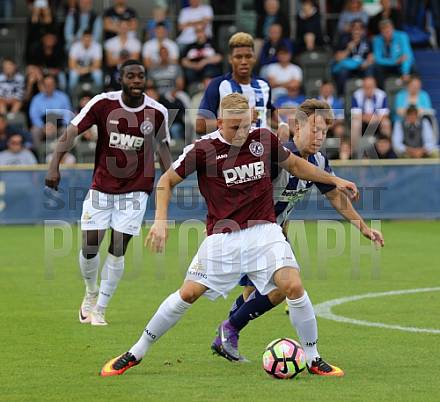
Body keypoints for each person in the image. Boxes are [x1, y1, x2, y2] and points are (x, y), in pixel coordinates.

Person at [99, 93, 360, 377]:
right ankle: (135, 352)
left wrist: (334, 179)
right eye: (235, 127)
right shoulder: (202, 149)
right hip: (223, 237)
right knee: (188, 294)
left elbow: (296, 165)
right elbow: (166, 181)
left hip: (264, 231)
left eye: (246, 125)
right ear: (220, 122)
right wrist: (160, 221)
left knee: (293, 286)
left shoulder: (263, 139)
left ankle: (313, 358)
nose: (242, 133)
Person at [210, 98, 384, 365]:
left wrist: (363, 226)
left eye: (324, 131)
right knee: (281, 288)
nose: (320, 136)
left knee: (254, 292)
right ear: (297, 127)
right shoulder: (278, 156)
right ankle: (230, 329)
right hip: (250, 232)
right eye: (314, 129)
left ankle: (226, 335)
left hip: (273, 234)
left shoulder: (318, 162)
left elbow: (335, 196)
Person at [44, 60, 172, 326]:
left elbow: (164, 152)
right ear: (120, 79)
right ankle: (91, 292)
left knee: (118, 248)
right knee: (90, 245)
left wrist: (171, 181)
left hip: (136, 191)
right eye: (130, 76)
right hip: (102, 187)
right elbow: (72, 131)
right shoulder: (103, 103)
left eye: (140, 76)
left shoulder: (157, 112)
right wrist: (54, 165)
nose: (136, 80)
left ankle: (100, 308)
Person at [196, 32, 289, 142]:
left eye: (248, 56)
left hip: (261, 147)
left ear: (254, 58)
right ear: (230, 59)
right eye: (238, 57)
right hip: (231, 148)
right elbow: (200, 125)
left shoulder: (263, 85)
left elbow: (268, 112)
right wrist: (239, 119)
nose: (244, 62)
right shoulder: (218, 85)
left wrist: (282, 124)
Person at [332, 19, 374, 96]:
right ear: (351, 29)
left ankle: (370, 94)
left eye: (359, 29)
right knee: (343, 72)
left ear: (363, 31)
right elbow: (338, 58)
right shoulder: (344, 39)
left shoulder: (367, 41)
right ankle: (341, 96)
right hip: (348, 67)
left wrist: (367, 63)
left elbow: (371, 57)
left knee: (370, 69)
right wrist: (348, 49)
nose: (357, 31)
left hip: (362, 66)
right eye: (354, 28)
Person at [29, 75, 72, 147]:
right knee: (35, 131)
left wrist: (58, 125)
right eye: (46, 84)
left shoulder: (63, 97)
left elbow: (68, 114)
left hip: (59, 125)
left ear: (55, 85)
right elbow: (34, 116)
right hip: (43, 125)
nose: (49, 86)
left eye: (51, 84)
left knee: (66, 131)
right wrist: (43, 127)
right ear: (43, 85)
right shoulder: (36, 99)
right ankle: (39, 152)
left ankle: (62, 153)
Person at [373, 19, 414, 87]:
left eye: (389, 30)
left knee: (412, 67)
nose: (387, 33)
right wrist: (394, 61)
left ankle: (412, 90)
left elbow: (406, 55)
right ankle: (382, 90)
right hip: (386, 64)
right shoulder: (377, 39)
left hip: (400, 64)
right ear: (381, 32)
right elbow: (377, 59)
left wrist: (405, 72)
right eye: (384, 31)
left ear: (393, 28)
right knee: (376, 67)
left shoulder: (402, 36)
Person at [180, 22, 223, 87]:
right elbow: (183, 61)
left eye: (201, 31)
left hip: (209, 68)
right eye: (197, 31)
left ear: (205, 31)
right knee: (189, 73)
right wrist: (194, 65)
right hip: (193, 69)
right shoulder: (190, 46)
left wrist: (204, 62)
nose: (199, 34)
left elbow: (219, 57)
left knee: (210, 70)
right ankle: (196, 89)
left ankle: (208, 89)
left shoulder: (212, 43)